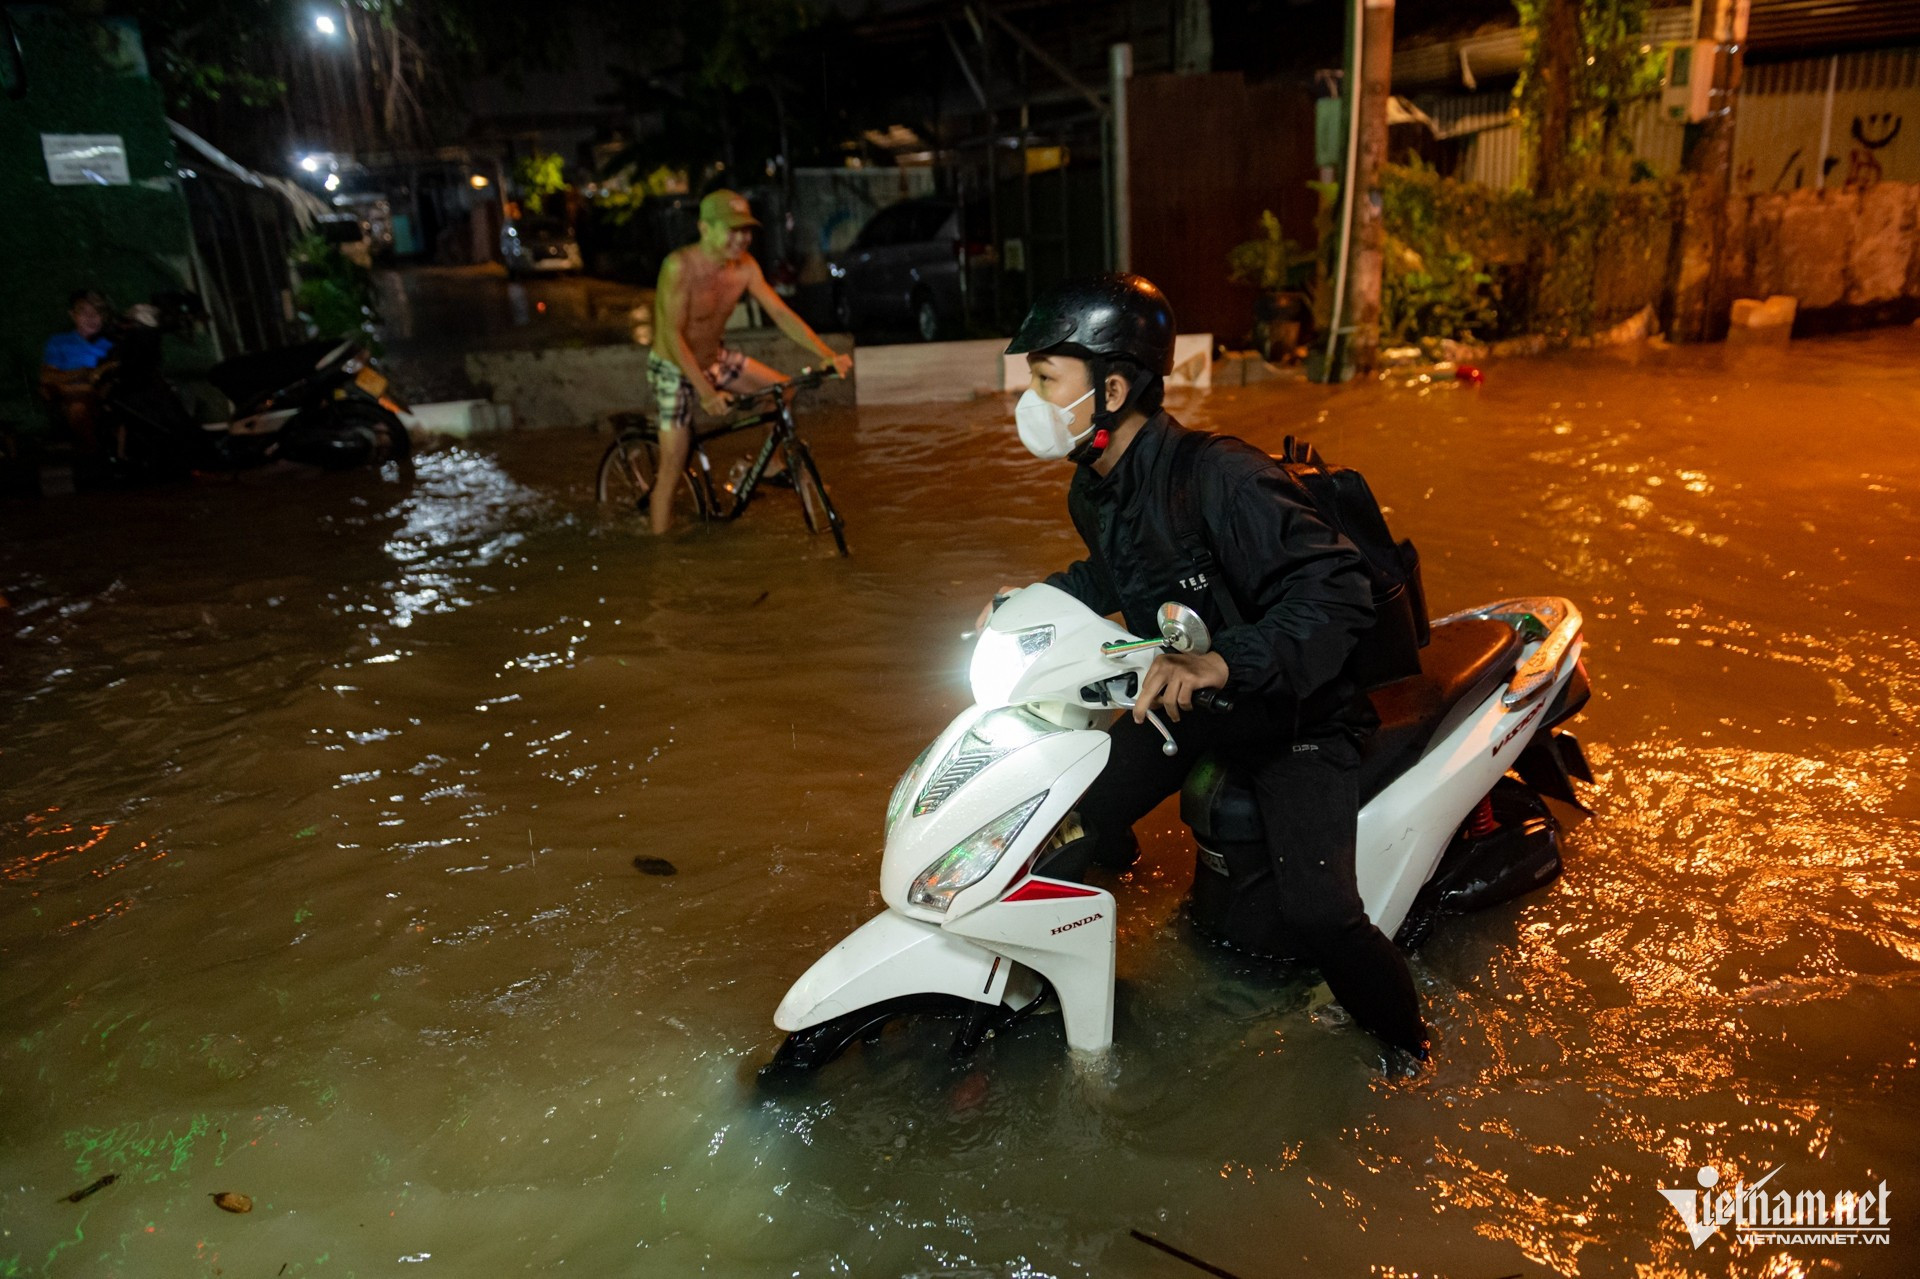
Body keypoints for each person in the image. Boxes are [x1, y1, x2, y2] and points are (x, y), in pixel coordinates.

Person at [993, 272, 1430, 1061]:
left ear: (1114, 387)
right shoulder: (1094, 491)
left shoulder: (1219, 475)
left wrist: (1227, 661)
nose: (1029, 397)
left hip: (1297, 717)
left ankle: (1409, 1050)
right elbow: (1117, 577)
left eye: (1045, 377)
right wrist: (1031, 601)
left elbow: (1337, 587)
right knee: (1063, 810)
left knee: (1320, 912)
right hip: (1196, 702)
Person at [648, 189, 853, 534]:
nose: (742, 238)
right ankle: (660, 558)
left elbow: (780, 313)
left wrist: (826, 354)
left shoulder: (744, 268)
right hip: (673, 366)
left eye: (746, 230)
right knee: (672, 467)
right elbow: (671, 335)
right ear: (705, 228)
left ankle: (770, 465)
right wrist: (706, 392)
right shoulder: (679, 267)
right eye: (732, 229)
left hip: (714, 358)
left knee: (781, 391)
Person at [38, 290, 117, 457]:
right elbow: (47, 376)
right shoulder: (59, 342)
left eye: (96, 312)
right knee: (77, 407)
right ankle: (93, 456)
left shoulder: (111, 341)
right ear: (72, 315)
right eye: (83, 312)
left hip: (107, 395)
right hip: (73, 399)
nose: (91, 317)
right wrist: (83, 373)